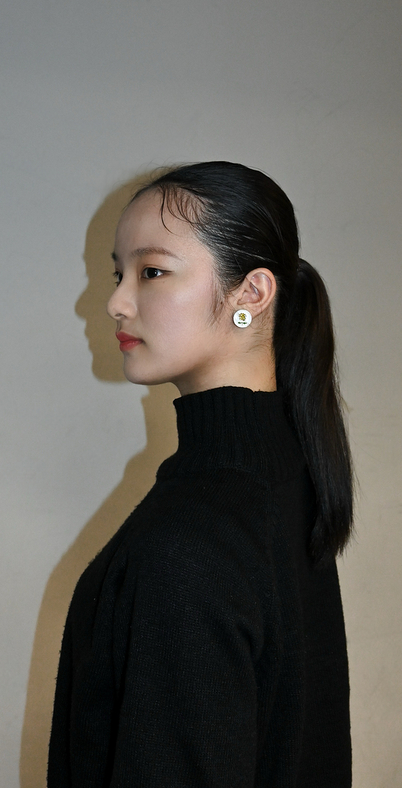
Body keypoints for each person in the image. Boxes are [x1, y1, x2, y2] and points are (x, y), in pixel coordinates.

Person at [48, 161, 353, 787]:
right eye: (119, 273)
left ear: (252, 294)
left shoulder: (192, 537)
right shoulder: (286, 472)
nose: (114, 302)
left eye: (152, 272)